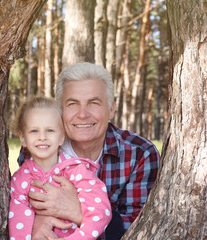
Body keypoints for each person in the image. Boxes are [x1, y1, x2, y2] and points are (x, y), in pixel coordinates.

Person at [17, 62, 160, 240]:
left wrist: (79, 211)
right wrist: (34, 223)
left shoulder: (140, 154)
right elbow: (20, 204)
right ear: (59, 110)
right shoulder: (38, 149)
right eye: (72, 104)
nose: (83, 114)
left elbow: (139, 231)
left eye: (93, 103)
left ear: (111, 109)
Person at [9, 96, 112, 240]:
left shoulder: (76, 170)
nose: (42, 137)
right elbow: (18, 224)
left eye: (50, 130)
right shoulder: (20, 179)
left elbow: (100, 212)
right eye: (34, 131)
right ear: (22, 138)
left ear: (61, 137)